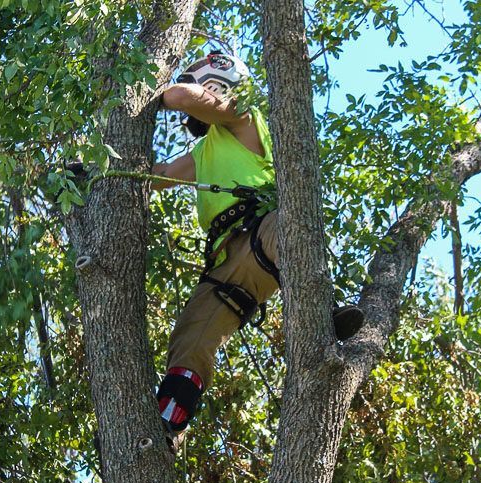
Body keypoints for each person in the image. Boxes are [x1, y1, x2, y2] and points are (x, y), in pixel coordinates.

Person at [152, 51, 364, 454]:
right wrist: (96, 176)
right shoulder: (204, 152)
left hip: (265, 231)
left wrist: (153, 91)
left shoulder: (243, 117)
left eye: (204, 87)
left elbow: (180, 97)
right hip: (228, 262)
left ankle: (326, 307)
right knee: (191, 335)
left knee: (288, 226)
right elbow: (156, 176)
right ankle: (168, 423)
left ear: (216, 86)